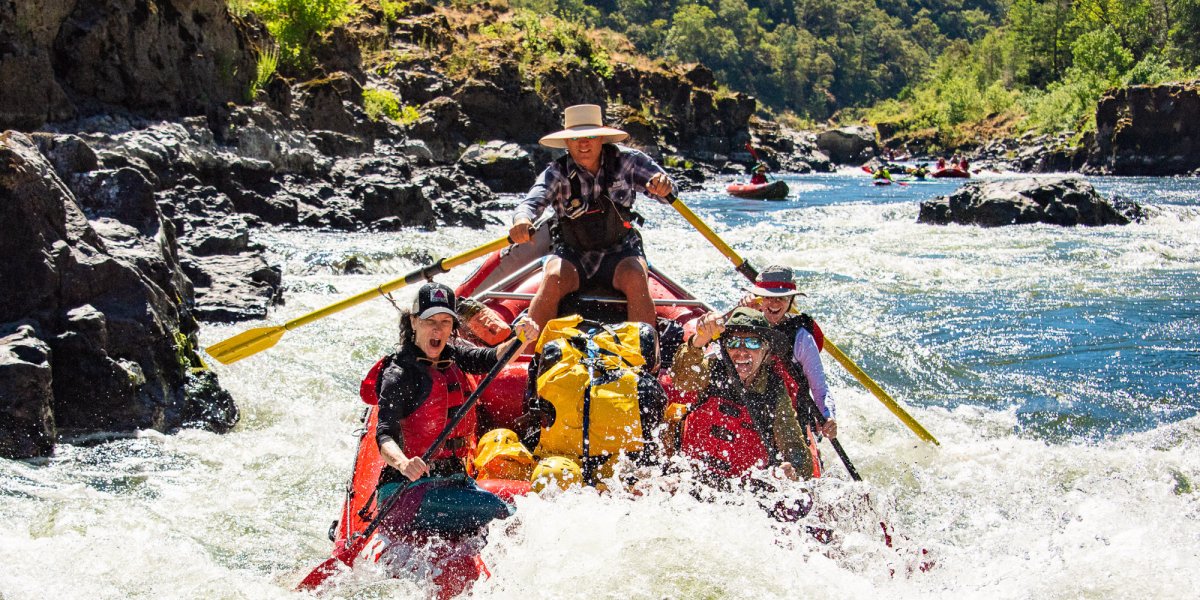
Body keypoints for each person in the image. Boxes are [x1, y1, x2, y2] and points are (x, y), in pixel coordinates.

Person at [508, 104, 675, 329]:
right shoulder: (556, 172)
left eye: (591, 136)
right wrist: (521, 221)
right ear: (567, 143)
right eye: (576, 138)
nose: (583, 143)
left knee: (636, 276)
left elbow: (669, 193)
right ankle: (526, 357)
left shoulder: (629, 161)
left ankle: (644, 356)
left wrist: (663, 187)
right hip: (572, 253)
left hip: (621, 250)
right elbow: (530, 203)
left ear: (601, 139)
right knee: (553, 278)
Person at [375, 282, 539, 499]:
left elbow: (492, 358)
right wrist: (404, 464)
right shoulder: (399, 373)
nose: (437, 329)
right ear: (413, 322)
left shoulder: (453, 356)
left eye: (445, 321)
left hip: (451, 479)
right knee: (506, 511)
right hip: (407, 488)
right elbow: (384, 434)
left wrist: (520, 339)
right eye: (429, 321)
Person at [668, 307, 814, 481]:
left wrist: (794, 471)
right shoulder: (713, 370)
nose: (742, 351)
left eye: (752, 343)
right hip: (692, 474)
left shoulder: (774, 392)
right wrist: (698, 342)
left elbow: (794, 447)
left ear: (766, 350)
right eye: (733, 343)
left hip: (741, 486)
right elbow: (682, 379)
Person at [744, 266, 837, 439]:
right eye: (768, 297)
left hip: (790, 418)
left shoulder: (801, 337)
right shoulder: (743, 325)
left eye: (782, 298)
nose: (774, 303)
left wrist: (828, 416)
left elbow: (819, 387)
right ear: (759, 299)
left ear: (791, 300)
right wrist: (739, 314)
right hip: (748, 410)